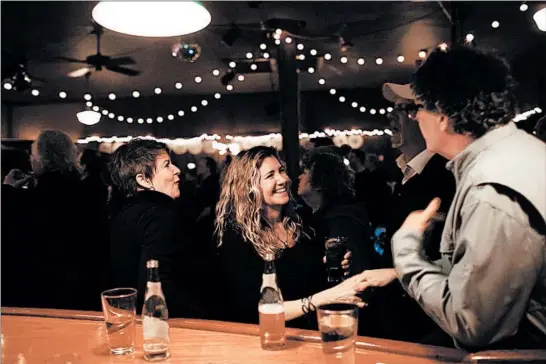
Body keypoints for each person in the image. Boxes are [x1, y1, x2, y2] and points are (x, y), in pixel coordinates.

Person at [385, 46, 545, 350]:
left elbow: (472, 324)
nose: (416, 116)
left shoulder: (494, 191)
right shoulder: (517, 152)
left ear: (443, 115)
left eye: (417, 107)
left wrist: (406, 251)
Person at [215, 146, 369, 327]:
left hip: (313, 335)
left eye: (281, 171)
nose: (283, 179)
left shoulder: (304, 224)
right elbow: (256, 311)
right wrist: (324, 297)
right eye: (270, 175)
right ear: (249, 187)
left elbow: (311, 281)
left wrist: (332, 264)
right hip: (272, 340)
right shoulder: (237, 238)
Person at [2, 130, 106, 310]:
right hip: (84, 291)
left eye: (33, 155)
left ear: (41, 159)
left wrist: (7, 191)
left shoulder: (27, 201)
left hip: (36, 293)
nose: (30, 160)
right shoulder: (91, 194)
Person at [109, 138, 205, 318]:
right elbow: (155, 282)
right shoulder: (161, 214)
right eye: (167, 165)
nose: (177, 170)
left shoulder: (124, 213)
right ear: (144, 179)